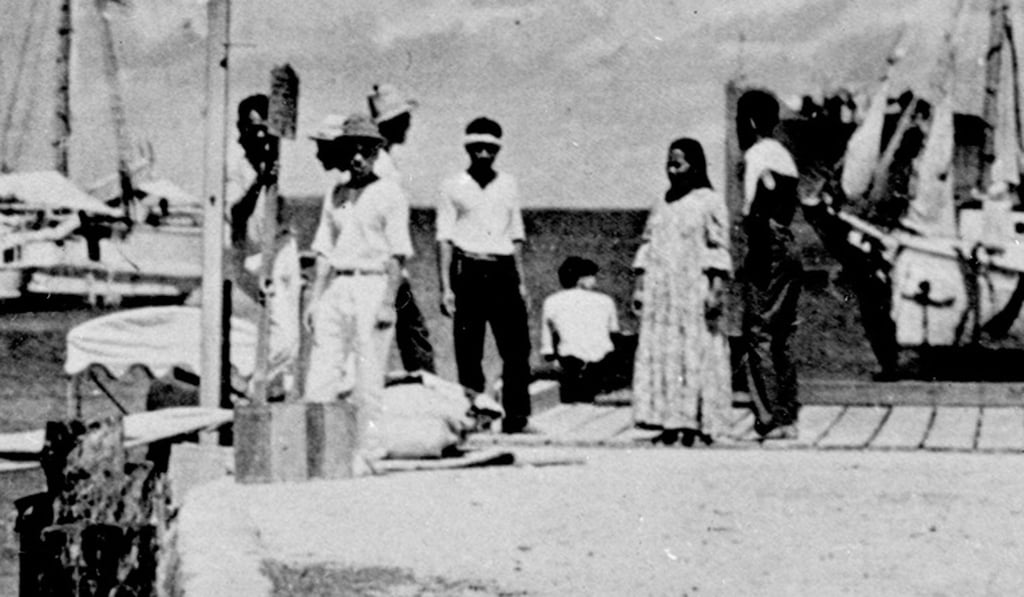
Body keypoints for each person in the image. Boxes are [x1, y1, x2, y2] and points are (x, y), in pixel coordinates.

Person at [305, 113, 413, 470]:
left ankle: (368, 451)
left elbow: (398, 254)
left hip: (372, 283)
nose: (357, 157)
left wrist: (387, 303)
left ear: (376, 152)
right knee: (322, 371)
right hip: (338, 284)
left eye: (366, 150)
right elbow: (323, 249)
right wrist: (314, 299)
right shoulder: (335, 195)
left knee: (368, 377)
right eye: (352, 149)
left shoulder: (390, 193)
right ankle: (318, 448)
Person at [631, 137, 733, 446]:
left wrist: (715, 290)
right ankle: (669, 420)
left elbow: (718, 249)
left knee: (696, 351)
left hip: (693, 292)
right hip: (663, 294)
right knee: (666, 353)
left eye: (679, 164)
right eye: (669, 164)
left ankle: (697, 421)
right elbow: (647, 247)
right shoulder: (662, 202)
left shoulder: (709, 202)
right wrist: (640, 289)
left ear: (696, 166)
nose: (672, 171)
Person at [436, 116, 532, 434]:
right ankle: (475, 417)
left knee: (516, 348)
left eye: (490, 148)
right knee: (469, 349)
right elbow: (444, 239)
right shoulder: (452, 185)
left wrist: (522, 282)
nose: (483, 154)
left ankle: (517, 418)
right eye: (477, 147)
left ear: (497, 150)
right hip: (468, 270)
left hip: (503, 270)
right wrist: (445, 287)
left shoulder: (509, 184)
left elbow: (516, 235)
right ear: (468, 147)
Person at [737, 90, 803, 440]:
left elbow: (752, 212)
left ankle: (769, 418)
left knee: (759, 332)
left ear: (747, 121)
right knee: (783, 334)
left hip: (767, 245)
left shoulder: (756, 155)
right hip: (790, 245)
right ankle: (788, 415)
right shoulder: (784, 156)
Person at [368, 83, 436, 374]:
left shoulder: (383, 160)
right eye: (404, 119)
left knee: (411, 332)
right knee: (413, 333)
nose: (409, 125)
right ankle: (426, 390)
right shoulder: (381, 164)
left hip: (387, 265)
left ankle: (423, 384)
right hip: (387, 266)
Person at [540, 256, 619, 404]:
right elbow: (614, 332)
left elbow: (546, 343)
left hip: (570, 360)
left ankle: (575, 380)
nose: (595, 281)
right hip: (602, 360)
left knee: (559, 334)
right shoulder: (605, 300)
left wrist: (551, 357)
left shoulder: (551, 301)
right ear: (581, 279)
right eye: (592, 276)